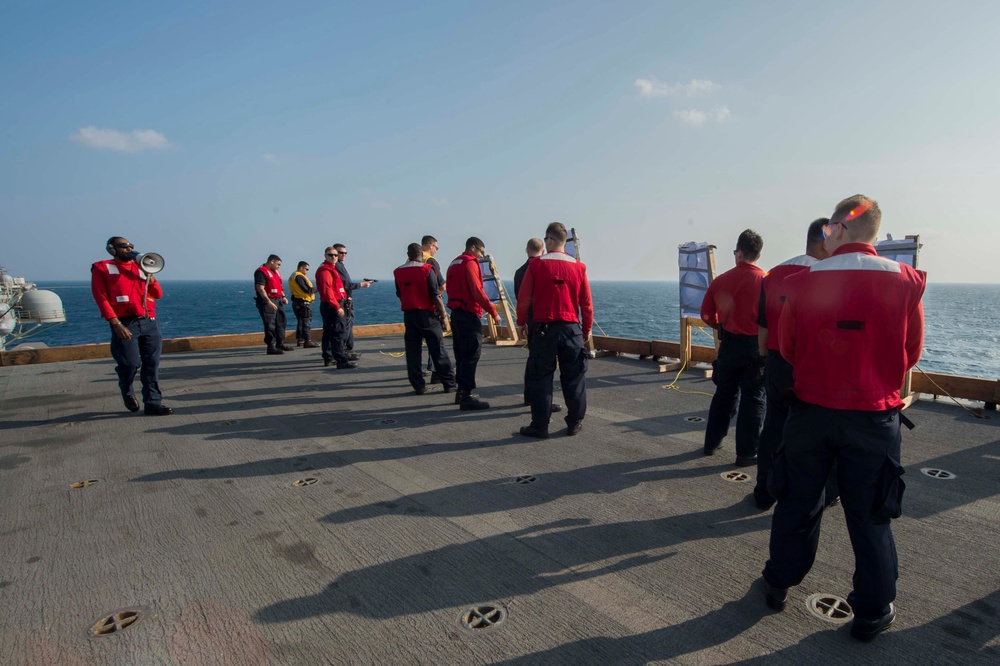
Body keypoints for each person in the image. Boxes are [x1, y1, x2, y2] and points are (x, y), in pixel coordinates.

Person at [761, 195, 925, 643]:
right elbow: (911, 353)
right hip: (872, 417)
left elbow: (788, 348)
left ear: (841, 228)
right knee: (870, 514)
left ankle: (778, 582)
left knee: (798, 500)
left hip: (811, 411)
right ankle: (872, 611)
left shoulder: (804, 279)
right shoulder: (905, 280)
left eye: (832, 227)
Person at [752, 219, 832, 510]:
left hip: (775, 360)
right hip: (810, 365)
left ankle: (764, 490)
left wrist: (765, 357)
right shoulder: (825, 274)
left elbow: (762, 324)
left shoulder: (774, 273)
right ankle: (803, 496)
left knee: (773, 426)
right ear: (826, 242)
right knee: (813, 434)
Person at [515, 223, 593, 438]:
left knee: (541, 378)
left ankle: (540, 426)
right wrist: (586, 329)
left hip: (543, 329)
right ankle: (574, 423)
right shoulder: (579, 266)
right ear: (564, 241)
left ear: (549, 241)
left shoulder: (537, 265)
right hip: (571, 329)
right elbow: (586, 303)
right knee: (575, 377)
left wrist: (521, 322)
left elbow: (524, 298)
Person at [700, 229, 766, 466]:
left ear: (738, 252)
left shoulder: (721, 281)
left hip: (729, 344)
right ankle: (747, 453)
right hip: (755, 347)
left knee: (724, 394)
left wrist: (720, 324)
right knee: (754, 398)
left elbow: (705, 313)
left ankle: (711, 443)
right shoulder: (766, 281)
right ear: (758, 254)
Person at [90, 236, 172, 415]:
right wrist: (115, 323)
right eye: (123, 246)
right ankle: (126, 388)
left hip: (149, 321)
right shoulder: (102, 268)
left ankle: (153, 403)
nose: (129, 249)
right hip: (124, 322)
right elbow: (101, 297)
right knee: (130, 363)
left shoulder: (141, 268)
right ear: (112, 249)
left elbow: (157, 294)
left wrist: (150, 277)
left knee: (151, 364)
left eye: (130, 246)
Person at [393, 242, 457, 395]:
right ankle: (449, 382)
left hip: (409, 314)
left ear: (408, 254)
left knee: (413, 352)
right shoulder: (427, 269)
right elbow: (435, 295)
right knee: (438, 349)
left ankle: (418, 385)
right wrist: (444, 317)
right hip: (427, 315)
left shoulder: (398, 272)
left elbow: (399, 293)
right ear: (421, 254)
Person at [446, 237, 501, 410]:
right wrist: (493, 312)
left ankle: (461, 392)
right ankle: (467, 396)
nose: (481, 255)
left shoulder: (453, 263)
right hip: (468, 315)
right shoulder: (470, 263)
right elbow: (477, 291)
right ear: (473, 247)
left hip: (456, 314)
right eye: (480, 251)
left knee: (461, 355)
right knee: (472, 355)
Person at [513, 237, 562, 414]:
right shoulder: (543, 267)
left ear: (527, 250)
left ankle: (529, 395)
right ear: (543, 250)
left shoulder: (519, 272)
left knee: (533, 359)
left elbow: (521, 298)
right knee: (545, 364)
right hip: (545, 321)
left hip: (530, 320)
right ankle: (541, 401)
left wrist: (522, 321)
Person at [315, 247, 356, 369]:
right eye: (330, 255)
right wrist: (337, 307)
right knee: (338, 332)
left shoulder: (331, 269)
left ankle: (329, 357)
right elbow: (328, 291)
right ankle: (341, 361)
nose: (333, 257)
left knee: (329, 332)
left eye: (335, 255)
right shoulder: (325, 271)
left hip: (332, 304)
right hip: (332, 305)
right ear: (325, 255)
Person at [332, 243, 372, 362]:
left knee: (346, 326)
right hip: (343, 301)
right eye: (341, 253)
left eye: (345, 253)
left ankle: (344, 350)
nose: (343, 255)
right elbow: (346, 285)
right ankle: (343, 351)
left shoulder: (339, 266)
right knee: (343, 327)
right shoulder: (337, 267)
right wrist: (361, 285)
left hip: (345, 300)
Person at [254, 254, 293, 355]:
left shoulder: (276, 272)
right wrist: (268, 302)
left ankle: (280, 343)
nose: (279, 267)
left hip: (277, 299)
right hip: (267, 300)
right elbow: (260, 288)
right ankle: (271, 346)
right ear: (272, 261)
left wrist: (283, 296)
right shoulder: (261, 272)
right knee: (270, 324)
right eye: (278, 264)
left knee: (281, 321)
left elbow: (279, 286)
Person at [421, 235, 446, 381]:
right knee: (436, 341)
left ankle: (419, 374)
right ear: (430, 245)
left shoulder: (410, 262)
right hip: (431, 305)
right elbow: (441, 285)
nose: (436, 251)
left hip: (413, 307)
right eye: (436, 248)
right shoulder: (430, 261)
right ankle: (436, 371)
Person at [288, 261, 319, 348]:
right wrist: (319, 288)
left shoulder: (293, 276)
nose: (307, 271)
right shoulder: (299, 277)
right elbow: (307, 289)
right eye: (307, 269)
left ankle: (300, 339)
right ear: (301, 268)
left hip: (297, 301)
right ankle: (307, 341)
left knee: (301, 322)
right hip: (303, 302)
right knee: (306, 322)